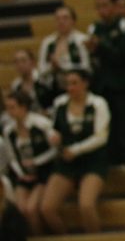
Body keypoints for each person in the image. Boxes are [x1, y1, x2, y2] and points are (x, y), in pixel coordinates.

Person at [39, 69, 110, 234]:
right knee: (47, 208)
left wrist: (76, 150)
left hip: (93, 160)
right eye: (67, 84)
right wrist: (53, 136)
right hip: (67, 160)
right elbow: (52, 127)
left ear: (85, 83)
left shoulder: (98, 103)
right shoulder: (60, 103)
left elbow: (101, 137)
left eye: (74, 83)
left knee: (86, 205)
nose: (70, 88)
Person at [85, 0, 125, 166]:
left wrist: (101, 46)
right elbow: (93, 59)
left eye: (106, 5)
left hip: (122, 83)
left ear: (114, 6)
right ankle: (113, 161)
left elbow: (121, 55)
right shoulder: (94, 28)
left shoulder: (124, 24)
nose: (102, 10)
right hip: (102, 85)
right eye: (98, 6)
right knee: (109, 126)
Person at [3, 90, 56, 234]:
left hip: (44, 172)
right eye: (7, 108)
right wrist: (21, 173)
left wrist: (36, 162)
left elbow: (55, 150)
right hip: (23, 174)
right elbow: (12, 156)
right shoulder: (9, 130)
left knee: (31, 208)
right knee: (19, 209)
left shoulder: (41, 124)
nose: (9, 112)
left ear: (23, 107)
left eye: (12, 107)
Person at [37, 6, 91, 101]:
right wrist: (52, 68)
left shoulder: (82, 40)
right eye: (58, 19)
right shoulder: (48, 42)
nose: (61, 22)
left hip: (78, 88)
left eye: (65, 18)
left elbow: (86, 67)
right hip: (54, 89)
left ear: (73, 21)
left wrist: (62, 67)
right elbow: (41, 69)